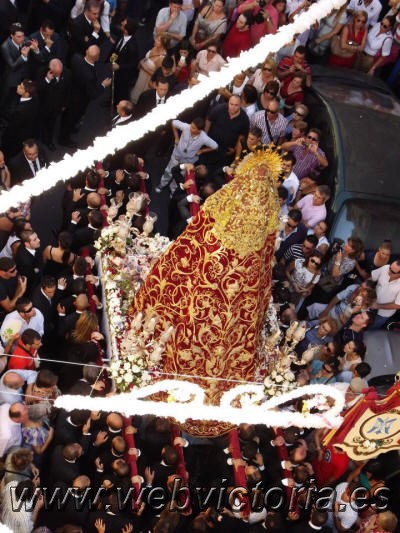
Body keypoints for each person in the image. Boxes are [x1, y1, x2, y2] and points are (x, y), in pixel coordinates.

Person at [155, 118, 218, 195]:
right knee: (169, 171)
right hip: (177, 155)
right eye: (191, 125)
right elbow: (173, 122)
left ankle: (173, 190)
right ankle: (162, 185)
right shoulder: (186, 127)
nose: (190, 128)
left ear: (199, 130)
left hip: (188, 161)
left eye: (193, 128)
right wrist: (176, 137)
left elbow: (215, 146)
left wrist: (202, 151)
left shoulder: (204, 138)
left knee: (180, 175)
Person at [203, 94, 250, 171]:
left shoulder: (244, 119)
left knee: (217, 172)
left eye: (236, 105)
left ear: (240, 105)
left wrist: (236, 158)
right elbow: (208, 121)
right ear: (228, 102)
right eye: (231, 104)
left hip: (225, 153)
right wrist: (204, 138)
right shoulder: (219, 109)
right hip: (209, 147)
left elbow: (241, 139)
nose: (233, 107)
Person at [37, 58, 72, 151]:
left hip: (57, 107)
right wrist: (47, 80)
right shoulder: (42, 72)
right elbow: (37, 88)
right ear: (50, 69)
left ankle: (48, 141)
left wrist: (64, 104)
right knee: (40, 124)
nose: (58, 75)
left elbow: (68, 90)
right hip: (43, 106)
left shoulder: (67, 73)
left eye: (60, 73)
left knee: (51, 125)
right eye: (56, 73)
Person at [2, 79, 39, 159]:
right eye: (20, 85)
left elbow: (12, 127)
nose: (18, 87)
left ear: (27, 93)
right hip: (25, 131)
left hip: (15, 136)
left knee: (8, 151)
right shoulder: (34, 98)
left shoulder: (21, 110)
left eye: (21, 88)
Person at [130, 33, 169, 104]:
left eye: (158, 40)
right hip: (141, 77)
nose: (155, 40)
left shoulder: (162, 58)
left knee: (141, 99)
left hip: (147, 81)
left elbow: (156, 75)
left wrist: (143, 67)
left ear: (163, 44)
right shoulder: (154, 47)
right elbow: (147, 58)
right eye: (156, 38)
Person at [110, 17, 139, 102]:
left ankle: (117, 104)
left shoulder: (133, 47)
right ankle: (111, 100)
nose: (121, 25)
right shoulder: (121, 35)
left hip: (124, 75)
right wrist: (112, 60)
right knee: (113, 86)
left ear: (126, 30)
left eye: (123, 25)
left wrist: (119, 67)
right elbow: (117, 49)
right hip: (116, 68)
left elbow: (133, 64)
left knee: (120, 90)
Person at [370, 259, 400, 329]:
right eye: (390, 268)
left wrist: (377, 306)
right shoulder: (386, 267)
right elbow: (371, 278)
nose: (388, 271)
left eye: (392, 272)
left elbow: (398, 305)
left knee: (369, 330)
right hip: (369, 304)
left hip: (382, 315)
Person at [14, 229, 42, 295]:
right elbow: (31, 277)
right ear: (26, 243)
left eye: (37, 237)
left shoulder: (24, 246)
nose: (39, 240)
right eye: (35, 239)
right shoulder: (26, 262)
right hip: (31, 284)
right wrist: (37, 270)